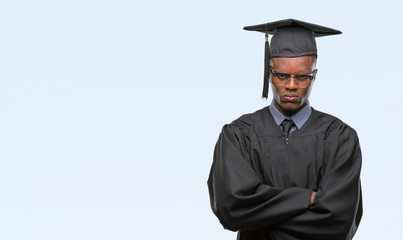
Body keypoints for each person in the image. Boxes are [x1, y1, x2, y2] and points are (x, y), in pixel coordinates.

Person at [207, 19, 363, 240]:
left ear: (314, 75)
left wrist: (262, 221)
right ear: (269, 73)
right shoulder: (238, 135)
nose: (291, 85)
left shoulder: (339, 138)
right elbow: (230, 207)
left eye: (302, 77)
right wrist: (307, 199)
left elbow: (338, 220)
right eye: (282, 75)